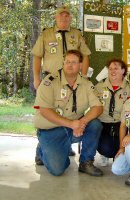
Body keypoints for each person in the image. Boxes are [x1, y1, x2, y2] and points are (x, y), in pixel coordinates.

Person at [31, 5, 91, 157]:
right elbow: (37, 56)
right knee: (45, 114)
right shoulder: (46, 34)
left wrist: (82, 77)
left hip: (71, 81)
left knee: (70, 112)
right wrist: (37, 78)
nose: (64, 18)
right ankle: (41, 149)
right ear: (56, 18)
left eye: (67, 16)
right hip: (51, 81)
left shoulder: (77, 34)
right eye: (61, 16)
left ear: (70, 18)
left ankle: (65, 144)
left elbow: (85, 56)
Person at [34, 50, 104, 177]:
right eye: (67, 62)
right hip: (51, 130)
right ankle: (42, 149)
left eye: (74, 62)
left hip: (74, 128)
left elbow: (98, 107)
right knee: (57, 170)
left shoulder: (86, 83)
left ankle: (85, 162)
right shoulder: (49, 82)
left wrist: (82, 122)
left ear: (81, 65)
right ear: (63, 63)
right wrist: (71, 124)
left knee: (95, 124)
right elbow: (44, 110)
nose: (70, 65)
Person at [94, 58, 130, 166]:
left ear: (123, 71)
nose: (112, 71)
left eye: (116, 68)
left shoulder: (129, 87)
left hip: (122, 124)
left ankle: (121, 154)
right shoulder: (99, 86)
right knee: (106, 148)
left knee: (119, 150)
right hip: (104, 123)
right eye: (110, 69)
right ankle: (104, 155)